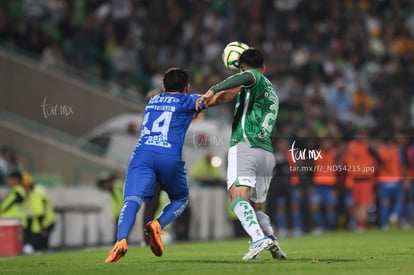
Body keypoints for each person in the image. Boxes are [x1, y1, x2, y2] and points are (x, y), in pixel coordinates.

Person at [105, 68, 211, 262]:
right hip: (169, 156)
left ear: (163, 86)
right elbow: (212, 99)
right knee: (180, 199)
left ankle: (120, 240)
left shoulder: (153, 101)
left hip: (142, 155)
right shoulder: (187, 100)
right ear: (186, 87)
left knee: (132, 201)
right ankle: (158, 225)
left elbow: (165, 103)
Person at [199, 48, 287, 261]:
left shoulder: (251, 76)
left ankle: (258, 239)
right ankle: (272, 240)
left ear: (243, 67)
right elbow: (231, 93)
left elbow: (243, 78)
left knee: (237, 198)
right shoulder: (270, 90)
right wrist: (209, 103)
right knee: (255, 206)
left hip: (245, 145)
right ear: (264, 67)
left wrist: (210, 91)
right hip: (266, 152)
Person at [21, 172, 57, 251]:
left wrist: (43, 228)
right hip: (48, 221)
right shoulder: (38, 190)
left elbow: (40, 212)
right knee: (41, 246)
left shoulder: (36, 194)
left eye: (27, 186)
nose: (25, 189)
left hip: (45, 222)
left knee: (40, 247)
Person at [96, 172, 124, 242]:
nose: (104, 187)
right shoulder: (114, 188)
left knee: (120, 233)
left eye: (104, 184)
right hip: (120, 213)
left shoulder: (117, 187)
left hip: (122, 213)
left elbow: (121, 202)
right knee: (120, 233)